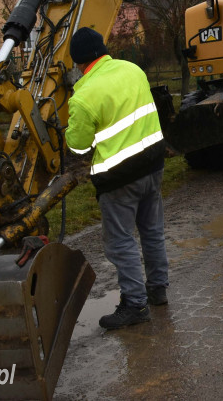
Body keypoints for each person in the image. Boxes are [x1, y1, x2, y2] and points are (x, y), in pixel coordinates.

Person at [65, 27, 169, 329]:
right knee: (152, 230)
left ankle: (135, 305)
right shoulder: (133, 69)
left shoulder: (83, 95)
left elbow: (79, 146)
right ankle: (157, 290)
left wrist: (70, 127)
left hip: (120, 179)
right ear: (102, 49)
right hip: (154, 164)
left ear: (79, 62)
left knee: (121, 241)